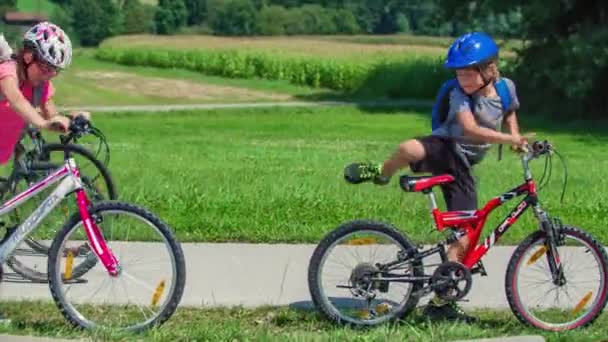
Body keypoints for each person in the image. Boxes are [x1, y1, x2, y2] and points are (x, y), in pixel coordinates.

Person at [344, 32, 528, 323]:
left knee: (465, 235)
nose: (463, 78)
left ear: (490, 68)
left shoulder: (506, 89)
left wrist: (517, 136)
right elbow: (469, 129)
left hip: (463, 166)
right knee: (408, 148)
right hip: (446, 148)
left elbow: (510, 113)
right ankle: (382, 172)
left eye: (468, 72)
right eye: (459, 72)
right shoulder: (458, 94)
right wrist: (508, 139)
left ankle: (443, 301)